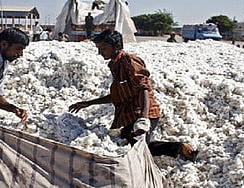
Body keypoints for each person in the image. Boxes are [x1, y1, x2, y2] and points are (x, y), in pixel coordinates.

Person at [68, 29, 198, 161]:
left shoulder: (130, 61)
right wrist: (88, 103)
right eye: (98, 49)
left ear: (117, 47)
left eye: (103, 48)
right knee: (126, 139)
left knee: (140, 149)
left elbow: (144, 89)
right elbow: (118, 95)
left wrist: (143, 119)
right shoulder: (115, 65)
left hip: (144, 113)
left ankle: (181, 148)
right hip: (130, 115)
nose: (100, 53)